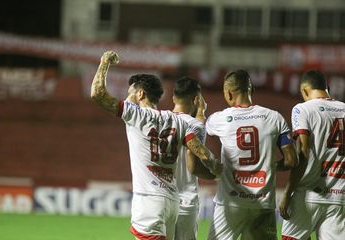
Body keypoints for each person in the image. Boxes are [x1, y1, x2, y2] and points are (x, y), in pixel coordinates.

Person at [90, 51, 222, 240]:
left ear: (140, 94)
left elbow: (98, 93)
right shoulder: (177, 121)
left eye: (130, 94)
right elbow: (200, 151)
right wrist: (214, 166)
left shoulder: (137, 116)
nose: (127, 98)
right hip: (171, 201)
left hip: (148, 200)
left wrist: (104, 62)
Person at [205, 70, 298, 240]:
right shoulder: (274, 118)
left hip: (230, 203)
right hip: (263, 203)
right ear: (252, 90)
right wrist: (272, 165)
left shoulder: (219, 119)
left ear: (228, 92)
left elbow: (201, 128)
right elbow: (292, 160)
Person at [280, 70, 345, 240]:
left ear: (305, 91)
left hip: (308, 194)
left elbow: (302, 151)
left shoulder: (303, 109)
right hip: (339, 197)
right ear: (327, 88)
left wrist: (287, 193)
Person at [172, 77, 216, 240]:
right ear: (196, 99)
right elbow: (194, 165)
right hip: (186, 201)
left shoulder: (161, 120)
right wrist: (217, 175)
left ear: (174, 98)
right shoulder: (195, 126)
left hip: (163, 199)